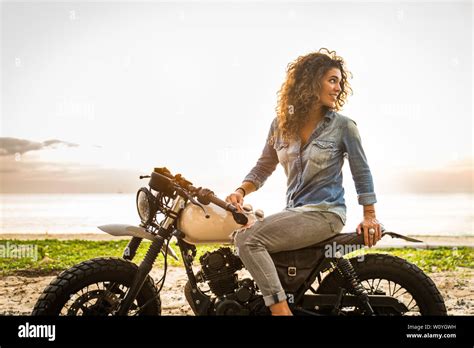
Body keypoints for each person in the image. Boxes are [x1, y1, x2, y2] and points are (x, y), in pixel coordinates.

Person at [225, 48, 382, 316]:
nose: (338, 88)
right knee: (237, 237)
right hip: (295, 213)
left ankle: (281, 312)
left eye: (340, 82)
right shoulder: (280, 125)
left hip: (325, 213)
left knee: (248, 240)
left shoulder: (343, 126)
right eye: (332, 80)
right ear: (310, 82)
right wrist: (241, 190)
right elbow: (264, 166)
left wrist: (370, 216)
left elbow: (362, 172)